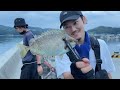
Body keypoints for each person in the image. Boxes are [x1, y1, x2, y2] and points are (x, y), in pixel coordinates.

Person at [55, 11, 115, 79]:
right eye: (67, 27)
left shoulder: (100, 44)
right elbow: (67, 76)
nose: (73, 29)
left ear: (84, 20)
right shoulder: (61, 50)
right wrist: (77, 75)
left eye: (75, 23)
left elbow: (108, 73)